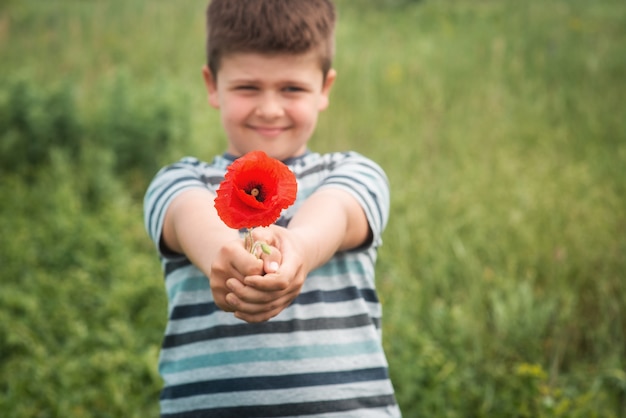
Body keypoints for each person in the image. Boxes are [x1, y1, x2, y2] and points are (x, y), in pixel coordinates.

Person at [143, 0, 401, 416]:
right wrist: (225, 260)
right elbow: (191, 219)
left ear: (325, 89)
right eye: (247, 87)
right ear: (212, 84)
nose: (269, 108)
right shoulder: (178, 182)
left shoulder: (353, 172)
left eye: (292, 89)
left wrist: (297, 248)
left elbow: (337, 213)